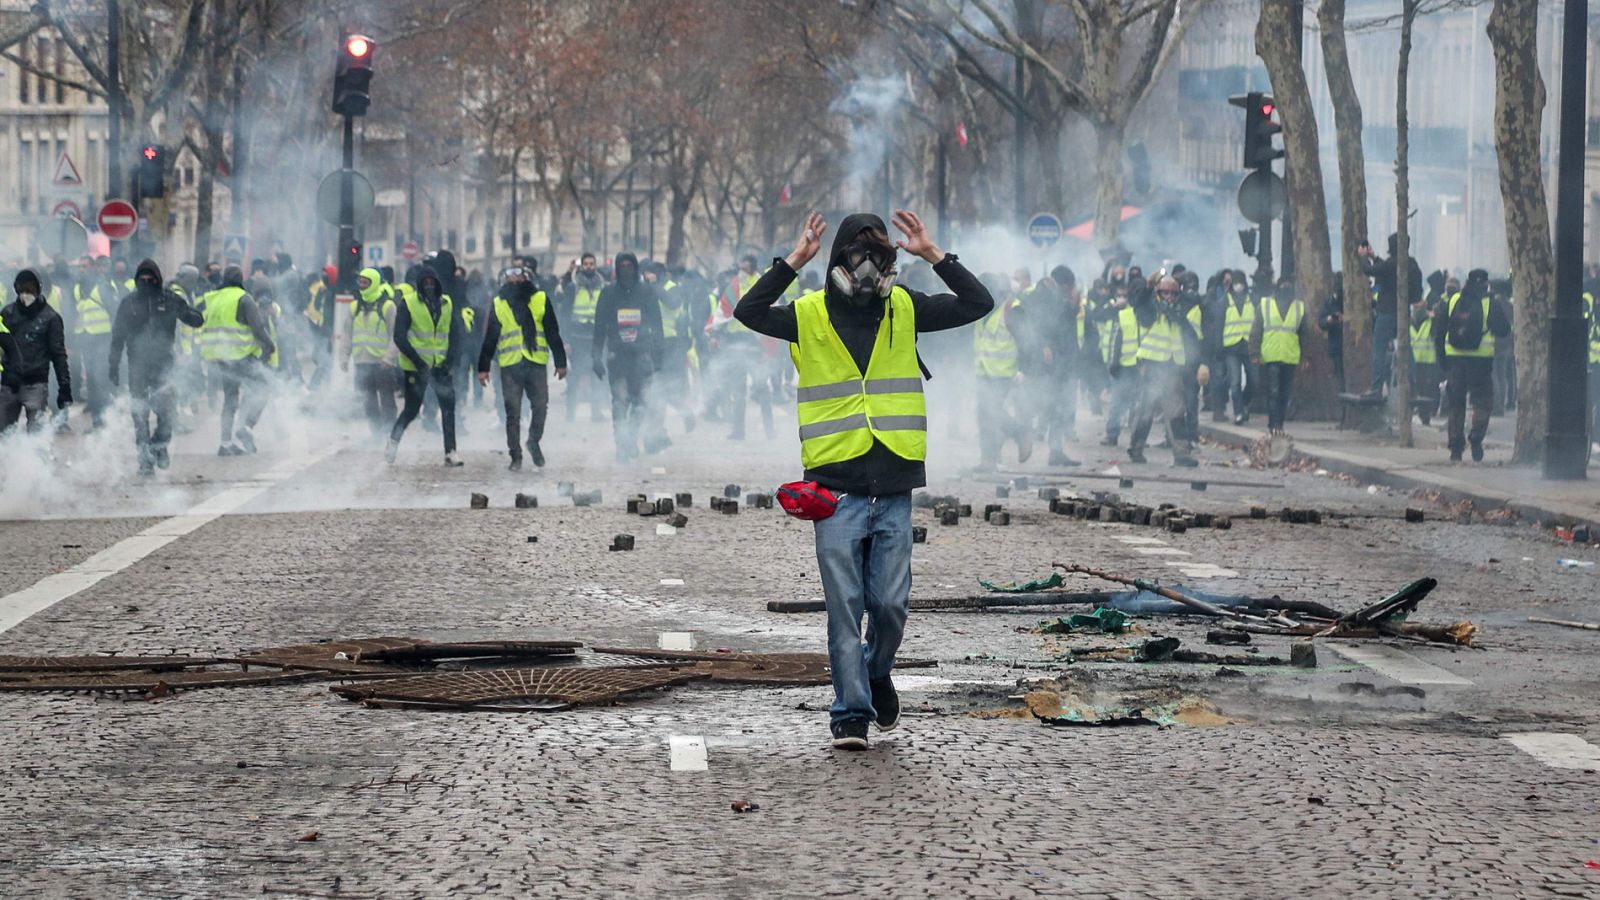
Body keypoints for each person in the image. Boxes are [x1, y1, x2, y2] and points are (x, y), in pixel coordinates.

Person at [735, 209, 992, 751]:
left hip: (894, 484)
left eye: (880, 258)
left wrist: (932, 254)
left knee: (891, 605)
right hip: (834, 490)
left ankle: (877, 674)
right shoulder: (806, 314)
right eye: (859, 257)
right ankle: (850, 712)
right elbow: (749, 310)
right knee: (845, 608)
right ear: (839, 263)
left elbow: (978, 303)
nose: (871, 269)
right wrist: (794, 260)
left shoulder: (904, 307)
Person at [108, 260, 204, 475]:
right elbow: (117, 336)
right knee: (139, 414)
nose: (146, 282)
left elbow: (194, 319)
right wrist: (113, 364)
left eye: (150, 278)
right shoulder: (129, 303)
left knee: (167, 412)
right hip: (137, 366)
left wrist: (195, 314)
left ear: (158, 279)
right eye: (142, 278)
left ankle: (159, 446)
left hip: (163, 365)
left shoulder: (169, 299)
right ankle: (144, 459)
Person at [478, 264, 567, 470]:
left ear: (527, 278)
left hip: (535, 362)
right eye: (511, 275)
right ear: (505, 279)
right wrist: (483, 368)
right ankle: (515, 455)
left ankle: (533, 441)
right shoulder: (499, 303)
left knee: (540, 406)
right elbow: (491, 338)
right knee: (513, 413)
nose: (516, 279)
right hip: (510, 365)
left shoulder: (541, 299)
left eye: (520, 275)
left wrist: (560, 362)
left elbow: (553, 332)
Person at [591, 253, 664, 462]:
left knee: (641, 403)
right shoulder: (608, 294)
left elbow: (657, 326)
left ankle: (630, 438)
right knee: (620, 403)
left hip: (642, 356)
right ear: (616, 269)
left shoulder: (647, 293)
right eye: (621, 266)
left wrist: (658, 355)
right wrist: (596, 356)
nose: (626, 270)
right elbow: (599, 328)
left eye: (629, 265)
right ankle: (621, 447)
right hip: (617, 357)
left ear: (635, 268)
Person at [389, 266, 463, 466]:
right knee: (411, 410)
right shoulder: (408, 304)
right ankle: (392, 442)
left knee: (448, 408)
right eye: (425, 282)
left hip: (440, 367)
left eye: (432, 282)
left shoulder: (446, 303)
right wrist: (417, 361)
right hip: (416, 368)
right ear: (420, 284)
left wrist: (449, 361)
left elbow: (455, 334)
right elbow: (399, 336)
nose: (429, 286)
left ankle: (451, 451)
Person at [1436, 269, 1511, 463]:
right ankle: (1476, 439)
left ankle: (1455, 449)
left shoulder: (1452, 300)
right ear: (1486, 284)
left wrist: (1441, 360)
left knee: (1456, 403)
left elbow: (1439, 331)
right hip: (1481, 362)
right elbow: (1504, 330)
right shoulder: (1489, 303)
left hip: (1454, 359)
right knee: (1483, 401)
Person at [200, 265, 275, 456]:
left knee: (230, 399)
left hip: (220, 357)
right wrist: (269, 344)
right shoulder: (244, 298)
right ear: (240, 279)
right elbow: (258, 328)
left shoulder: (213, 297)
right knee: (263, 387)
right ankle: (247, 427)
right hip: (240, 355)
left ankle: (225, 444)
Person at [1126, 276, 1201, 466]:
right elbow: (1139, 304)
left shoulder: (1178, 315)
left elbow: (1191, 339)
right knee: (1146, 410)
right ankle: (1136, 448)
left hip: (1172, 369)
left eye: (1173, 293)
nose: (1169, 297)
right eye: (1165, 293)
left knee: (1176, 412)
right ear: (1158, 294)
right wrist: (1148, 287)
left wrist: (1198, 364)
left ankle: (1182, 454)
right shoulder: (1151, 310)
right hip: (1152, 367)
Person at [0, 269, 70, 435]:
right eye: (21, 289)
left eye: (30, 289)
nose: (25, 294)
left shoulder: (50, 318)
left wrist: (64, 386)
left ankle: (35, 462)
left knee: (36, 438)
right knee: (4, 435)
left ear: (38, 289)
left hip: (36, 385)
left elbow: (58, 354)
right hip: (9, 384)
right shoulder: (7, 314)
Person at [1358, 234, 1422, 398]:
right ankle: (1414, 387)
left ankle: (1376, 388)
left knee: (1378, 350)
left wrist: (1363, 257)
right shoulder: (1412, 264)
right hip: (1403, 314)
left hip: (1386, 313)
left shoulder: (1392, 264)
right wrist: (1374, 257)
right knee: (1407, 351)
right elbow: (1386, 268)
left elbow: (1369, 270)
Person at [1250, 278, 1309, 436]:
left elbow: (1304, 334)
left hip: (1290, 356)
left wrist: (1304, 357)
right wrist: (1254, 353)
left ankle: (1280, 423)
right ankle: (1273, 423)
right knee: (1274, 392)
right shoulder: (1265, 305)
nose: (1285, 287)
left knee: (1285, 393)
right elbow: (1256, 330)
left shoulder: (1299, 307)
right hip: (1271, 356)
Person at [346, 268, 399, 438]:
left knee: (387, 399)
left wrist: (389, 357)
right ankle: (376, 434)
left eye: (365, 282)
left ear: (374, 283)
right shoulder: (354, 307)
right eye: (360, 282)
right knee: (368, 401)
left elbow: (395, 335)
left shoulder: (387, 306)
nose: (361, 286)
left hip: (381, 362)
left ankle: (389, 432)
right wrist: (344, 357)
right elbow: (347, 334)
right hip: (361, 361)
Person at [560, 253, 606, 423]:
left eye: (591, 263)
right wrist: (565, 341)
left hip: (595, 338)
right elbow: (564, 315)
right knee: (575, 377)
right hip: (577, 339)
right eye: (585, 264)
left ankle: (596, 412)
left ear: (595, 265)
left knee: (596, 376)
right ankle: (570, 413)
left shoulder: (602, 287)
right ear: (581, 267)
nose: (588, 267)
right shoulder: (573, 287)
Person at [73, 255, 118, 429]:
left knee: (100, 379)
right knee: (91, 380)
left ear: (93, 267)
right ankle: (97, 419)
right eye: (80, 267)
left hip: (103, 339)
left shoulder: (103, 287)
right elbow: (76, 316)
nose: (81, 270)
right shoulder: (78, 289)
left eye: (84, 267)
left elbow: (115, 313)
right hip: (87, 340)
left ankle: (103, 418)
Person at [1212, 272, 1255, 423]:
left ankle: (1244, 403)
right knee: (1235, 382)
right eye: (1236, 282)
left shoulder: (1252, 301)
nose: (1238, 285)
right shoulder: (1223, 302)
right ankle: (1238, 412)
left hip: (1249, 346)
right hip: (1231, 348)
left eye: (1240, 282)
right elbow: (1218, 327)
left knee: (1254, 380)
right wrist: (1219, 348)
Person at [1409, 296, 1440, 427]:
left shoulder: (1431, 321)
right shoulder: (1409, 322)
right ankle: (1409, 417)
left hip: (1427, 362)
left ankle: (1425, 417)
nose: (1416, 309)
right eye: (1415, 306)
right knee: (1412, 391)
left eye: (1419, 307)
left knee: (1426, 392)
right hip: (1412, 362)